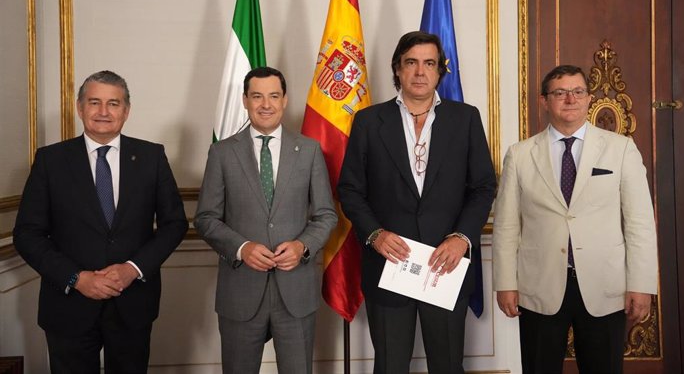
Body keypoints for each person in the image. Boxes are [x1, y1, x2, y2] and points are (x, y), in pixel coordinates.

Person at [338, 31, 497, 374]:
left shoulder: (465, 118)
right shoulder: (368, 121)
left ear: (440, 71)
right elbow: (350, 190)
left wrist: (462, 238)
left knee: (448, 365)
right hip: (390, 265)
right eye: (411, 63)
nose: (420, 72)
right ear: (397, 69)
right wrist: (375, 234)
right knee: (391, 366)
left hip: (446, 265)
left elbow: (483, 186)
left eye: (429, 63)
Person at [13, 70, 188, 373]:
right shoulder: (50, 160)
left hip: (132, 304)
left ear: (126, 111)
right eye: (95, 102)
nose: (104, 112)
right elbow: (27, 234)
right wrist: (76, 278)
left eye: (114, 103)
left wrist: (133, 269)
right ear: (80, 108)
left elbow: (175, 224)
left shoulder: (151, 157)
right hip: (68, 307)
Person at [492, 64, 659, 374]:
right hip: (539, 286)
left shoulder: (621, 149)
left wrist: (641, 283)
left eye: (578, 91)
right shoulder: (520, 154)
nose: (570, 99)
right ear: (544, 101)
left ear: (588, 98)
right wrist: (505, 282)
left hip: (605, 286)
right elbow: (506, 227)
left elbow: (639, 224)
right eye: (560, 93)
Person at [195, 66, 337, 374]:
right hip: (240, 290)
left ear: (285, 100)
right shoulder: (222, 153)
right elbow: (206, 218)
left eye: (273, 96)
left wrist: (303, 245)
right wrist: (242, 247)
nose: (266, 104)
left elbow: (326, 215)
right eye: (257, 96)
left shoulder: (309, 150)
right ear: (245, 100)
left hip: (295, 290)